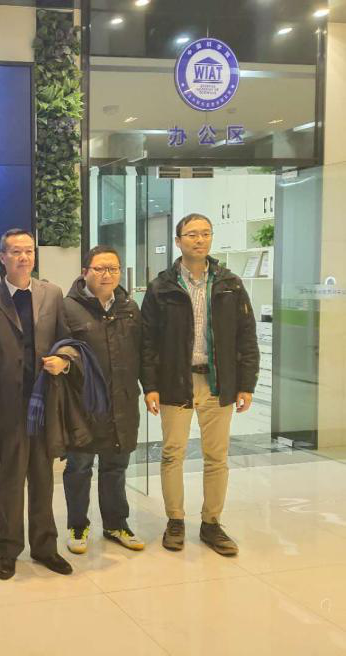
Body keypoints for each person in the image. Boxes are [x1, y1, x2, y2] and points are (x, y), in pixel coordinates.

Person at [141, 213, 259, 556]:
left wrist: (246, 383)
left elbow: (246, 336)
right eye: (192, 234)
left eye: (205, 233)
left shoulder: (230, 284)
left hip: (218, 382)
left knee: (216, 457)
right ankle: (175, 520)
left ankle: (211, 523)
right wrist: (150, 386)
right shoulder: (161, 286)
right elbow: (147, 342)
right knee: (172, 453)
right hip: (176, 381)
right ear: (178, 241)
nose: (199, 239)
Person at [0, 229, 73, 580]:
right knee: (11, 477)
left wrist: (64, 359)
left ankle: (45, 547)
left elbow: (66, 340)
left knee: (43, 476)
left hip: (45, 400)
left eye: (28, 251)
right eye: (15, 251)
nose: (23, 257)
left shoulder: (52, 293)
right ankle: (8, 550)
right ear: (2, 257)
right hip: (7, 405)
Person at [61, 246, 145, 555]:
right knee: (79, 466)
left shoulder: (129, 307)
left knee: (116, 465)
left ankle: (115, 523)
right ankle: (77, 525)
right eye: (99, 268)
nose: (107, 274)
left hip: (122, 400)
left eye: (113, 268)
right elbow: (60, 349)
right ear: (85, 272)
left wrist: (151, 388)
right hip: (82, 404)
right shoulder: (67, 307)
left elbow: (143, 352)